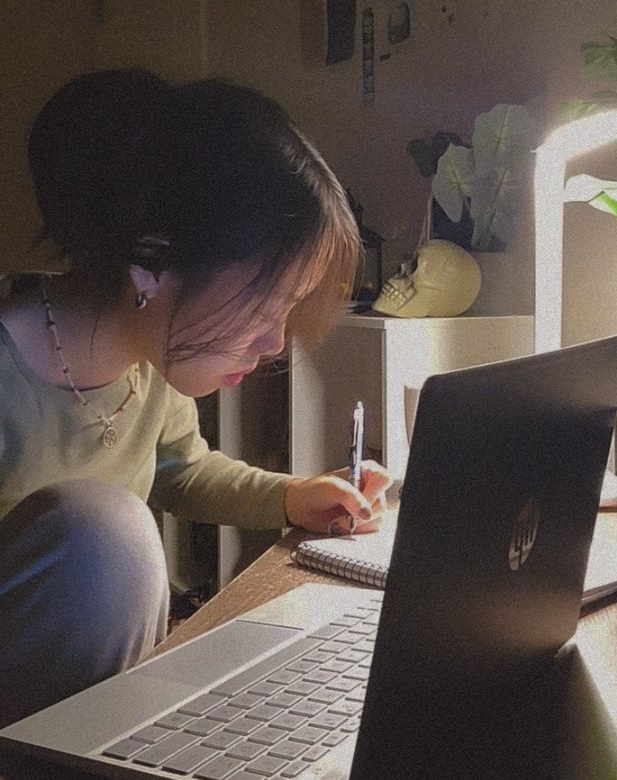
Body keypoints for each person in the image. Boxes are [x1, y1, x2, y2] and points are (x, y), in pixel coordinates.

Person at [0, 69, 389, 729]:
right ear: (152, 258)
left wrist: (291, 497)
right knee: (104, 531)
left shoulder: (147, 367)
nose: (274, 342)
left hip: (90, 710)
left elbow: (183, 470)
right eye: (265, 305)